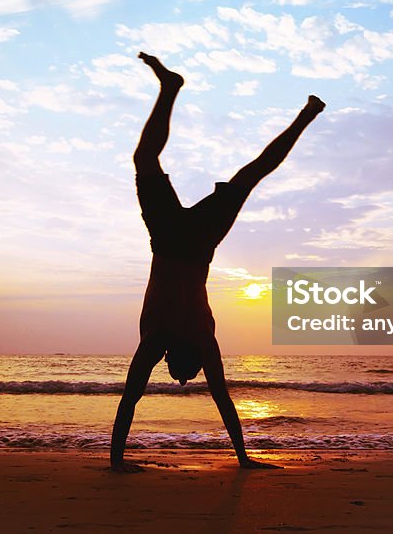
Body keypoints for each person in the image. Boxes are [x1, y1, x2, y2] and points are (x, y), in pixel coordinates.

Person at [110, 52, 325, 472]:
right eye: (179, 374)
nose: (174, 377)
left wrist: (245, 457)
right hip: (170, 239)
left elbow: (218, 398)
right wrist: (243, 460)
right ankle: (171, 89)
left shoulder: (195, 340)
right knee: (149, 162)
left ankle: (305, 115)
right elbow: (135, 396)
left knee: (252, 174)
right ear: (175, 356)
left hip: (193, 243)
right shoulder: (160, 338)